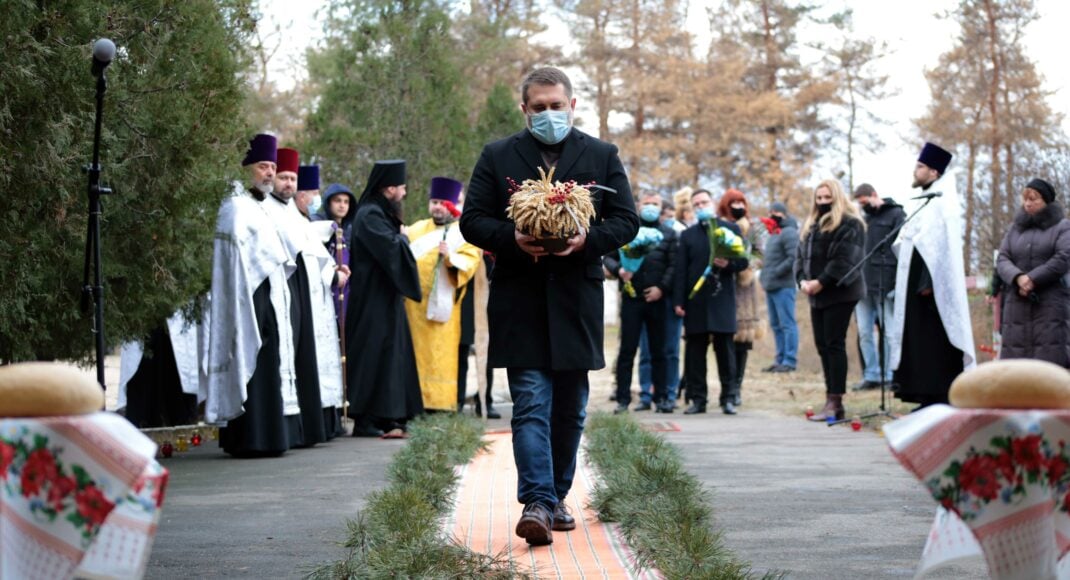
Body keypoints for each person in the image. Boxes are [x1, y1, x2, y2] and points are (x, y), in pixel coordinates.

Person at [460, 66, 637, 546]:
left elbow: (627, 220)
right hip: (519, 298)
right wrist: (514, 239)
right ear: (524, 110)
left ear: (572, 105)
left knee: (571, 411)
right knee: (531, 405)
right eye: (539, 107)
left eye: (556, 105)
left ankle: (556, 497)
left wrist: (585, 240)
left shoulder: (601, 155)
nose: (548, 114)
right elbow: (472, 220)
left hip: (576, 301)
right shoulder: (498, 156)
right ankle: (537, 501)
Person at [206, 133, 303, 456]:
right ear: (246, 167)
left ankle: (268, 437)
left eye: (273, 167)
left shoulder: (256, 206)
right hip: (245, 298)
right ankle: (248, 438)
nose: (270, 174)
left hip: (267, 297)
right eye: (263, 166)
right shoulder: (235, 206)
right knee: (250, 359)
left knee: (267, 362)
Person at [263, 147, 345, 446]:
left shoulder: (292, 214)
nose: (287, 183)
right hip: (287, 290)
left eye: (291, 178)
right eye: (282, 177)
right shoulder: (268, 209)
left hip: (308, 294)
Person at [890, 143, 976, 408]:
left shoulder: (943, 200)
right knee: (916, 340)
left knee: (934, 340)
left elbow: (940, 246)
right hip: (913, 283)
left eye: (920, 167)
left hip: (930, 287)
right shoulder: (923, 198)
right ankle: (921, 395)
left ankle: (938, 394)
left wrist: (928, 282)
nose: (915, 171)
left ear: (934, 171)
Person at [345, 159, 424, 438]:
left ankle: (391, 417)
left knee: (391, 356)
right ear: (389, 188)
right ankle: (368, 419)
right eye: (401, 188)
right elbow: (390, 248)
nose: (403, 193)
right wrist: (403, 239)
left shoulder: (377, 213)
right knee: (373, 356)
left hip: (385, 299)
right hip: (371, 301)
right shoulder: (369, 215)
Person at [404, 177, 483, 411]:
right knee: (416, 356)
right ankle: (415, 402)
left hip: (445, 307)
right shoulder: (416, 229)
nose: (437, 206)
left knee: (440, 356)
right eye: (434, 201)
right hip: (414, 307)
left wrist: (450, 258)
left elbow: (470, 262)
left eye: (442, 202)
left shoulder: (462, 233)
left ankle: (440, 404)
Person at [795, 179, 866, 422]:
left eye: (827, 198)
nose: (823, 202)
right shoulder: (811, 225)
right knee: (822, 345)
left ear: (837, 198)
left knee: (834, 344)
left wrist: (821, 281)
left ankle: (835, 402)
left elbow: (845, 260)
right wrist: (802, 281)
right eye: (819, 198)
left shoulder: (851, 223)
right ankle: (830, 398)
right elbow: (800, 256)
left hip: (840, 292)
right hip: (816, 294)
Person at [673, 189, 748, 415]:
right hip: (695, 300)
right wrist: (679, 301)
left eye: (704, 202)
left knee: (725, 350)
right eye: (696, 204)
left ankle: (729, 397)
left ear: (713, 203)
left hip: (721, 297)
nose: (700, 207)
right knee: (695, 352)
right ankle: (698, 399)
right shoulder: (688, 236)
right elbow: (680, 271)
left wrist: (728, 265)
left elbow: (743, 262)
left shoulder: (730, 229)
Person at [603, 190, 676, 414]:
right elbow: (608, 257)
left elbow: (673, 265)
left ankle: (661, 397)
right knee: (627, 351)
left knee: (659, 351)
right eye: (647, 203)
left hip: (657, 300)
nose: (650, 207)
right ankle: (623, 399)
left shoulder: (668, 234)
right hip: (632, 298)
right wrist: (619, 270)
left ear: (661, 208)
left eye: (655, 204)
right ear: (638, 205)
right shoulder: (627, 230)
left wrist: (661, 288)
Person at [997, 178, 1070, 367]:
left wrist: (1032, 279)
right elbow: (1003, 258)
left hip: (1050, 305)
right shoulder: (1014, 230)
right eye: (1025, 199)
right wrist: (1018, 278)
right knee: (1016, 368)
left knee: (1050, 365)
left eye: (1034, 199)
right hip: (1016, 306)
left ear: (1046, 201)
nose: (1028, 203)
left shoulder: (1063, 227)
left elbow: (1063, 257)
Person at [851, 183, 905, 391]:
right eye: (859, 204)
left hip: (885, 282)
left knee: (889, 332)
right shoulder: (864, 220)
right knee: (865, 332)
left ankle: (891, 374)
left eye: (864, 202)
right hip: (862, 285)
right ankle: (871, 375)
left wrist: (895, 284)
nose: (862, 206)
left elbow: (900, 250)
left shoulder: (896, 214)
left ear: (874, 195)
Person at [636, 197, 686, 411]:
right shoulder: (637, 232)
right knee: (647, 350)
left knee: (670, 351)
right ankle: (646, 393)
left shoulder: (673, 234)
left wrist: (662, 289)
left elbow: (675, 266)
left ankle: (669, 393)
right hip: (645, 298)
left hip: (668, 299)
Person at [718, 188, 766, 407]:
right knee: (724, 342)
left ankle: (737, 388)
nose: (738, 206)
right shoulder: (717, 225)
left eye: (741, 202)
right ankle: (725, 388)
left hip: (745, 289)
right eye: (733, 202)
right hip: (722, 285)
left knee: (743, 342)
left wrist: (746, 266)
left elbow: (759, 254)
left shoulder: (753, 228)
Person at [759, 202, 799, 373]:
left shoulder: (789, 232)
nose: (771, 215)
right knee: (776, 325)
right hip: (771, 286)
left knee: (787, 324)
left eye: (774, 212)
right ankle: (780, 359)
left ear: (782, 213)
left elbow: (793, 257)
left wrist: (776, 272)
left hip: (784, 286)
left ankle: (790, 360)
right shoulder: (774, 234)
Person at [315, 183, 358, 323]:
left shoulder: (351, 230)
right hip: (325, 289)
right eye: (337, 201)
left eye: (346, 202)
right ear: (328, 203)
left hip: (346, 291)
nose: (342, 205)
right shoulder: (318, 225)